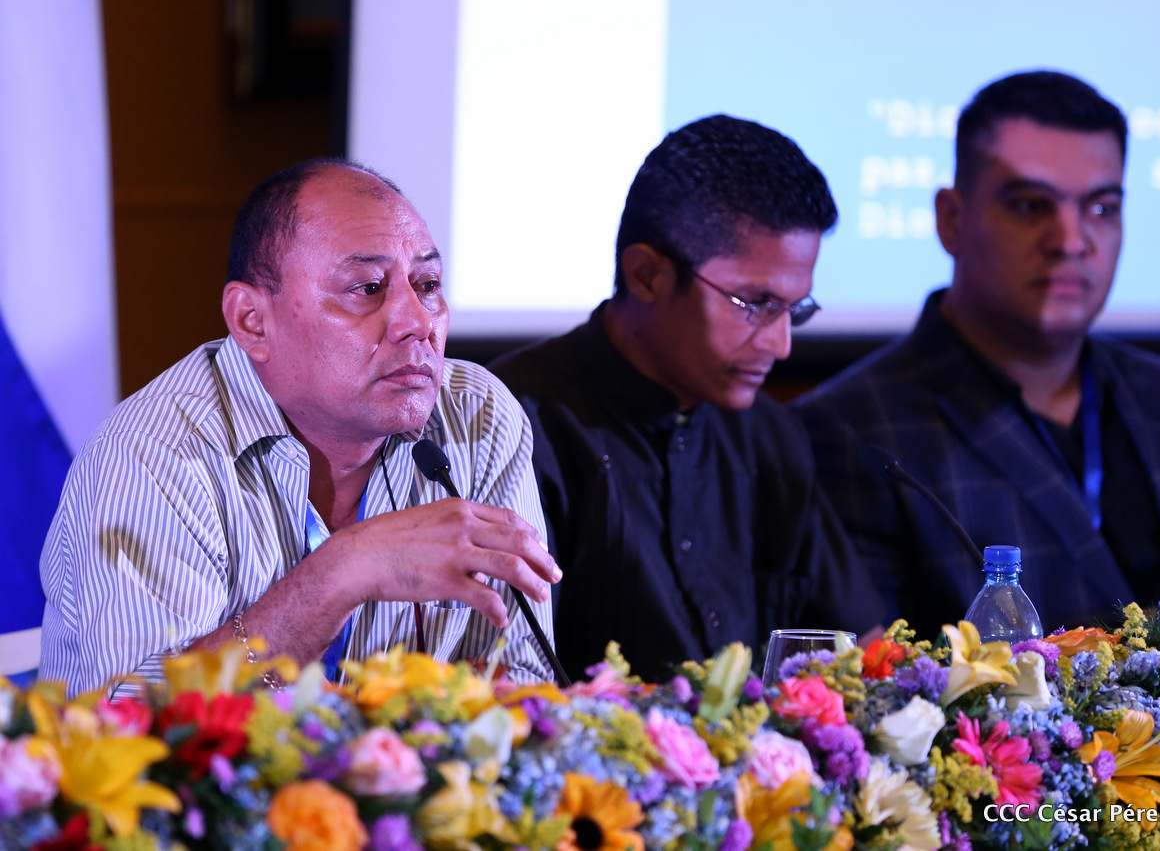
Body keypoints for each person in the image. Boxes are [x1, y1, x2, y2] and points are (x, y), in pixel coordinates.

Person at [40, 159, 561, 697]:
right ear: (252, 321)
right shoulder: (152, 453)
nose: (418, 323)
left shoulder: (475, 414)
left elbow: (524, 679)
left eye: (427, 284)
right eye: (367, 288)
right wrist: (341, 571)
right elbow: (133, 717)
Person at [794, 71, 1160, 639]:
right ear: (951, 220)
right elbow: (876, 681)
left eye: (1101, 209)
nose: (1070, 241)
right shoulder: (847, 433)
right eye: (1031, 206)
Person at [491, 115, 885, 682]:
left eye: (795, 309)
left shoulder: (771, 436)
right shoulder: (513, 425)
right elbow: (493, 679)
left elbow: (863, 650)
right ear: (647, 275)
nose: (780, 344)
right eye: (754, 304)